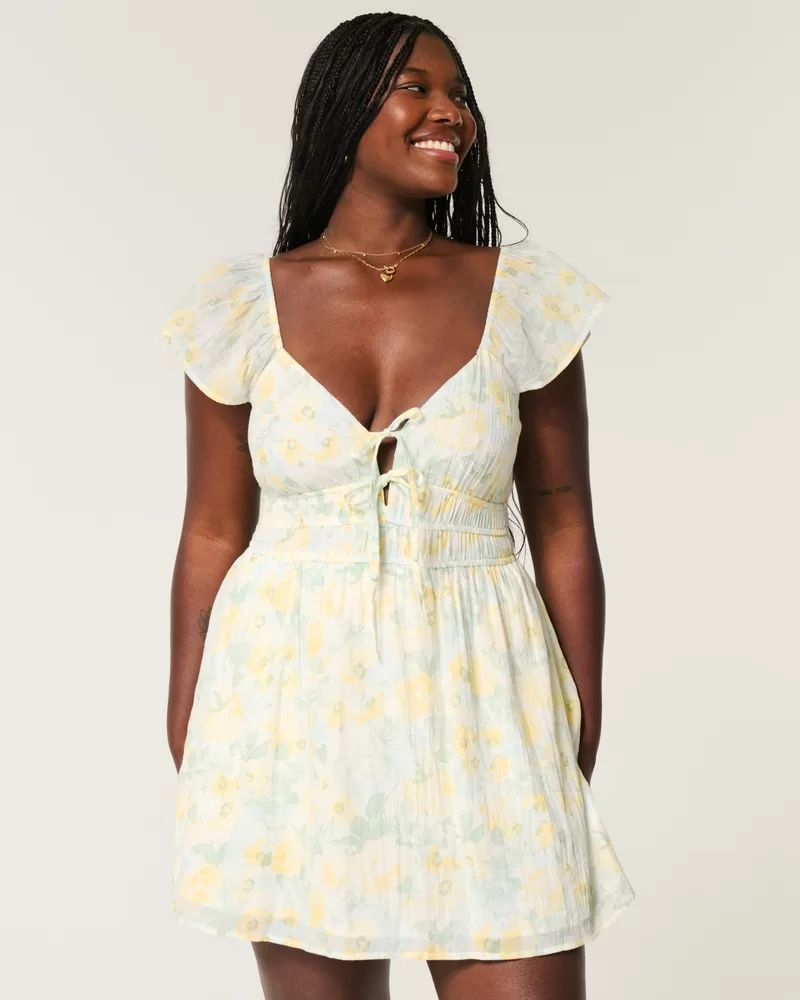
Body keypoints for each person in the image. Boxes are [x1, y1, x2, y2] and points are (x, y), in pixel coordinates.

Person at [159, 12, 635, 1000]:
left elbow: (562, 520)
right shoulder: (241, 306)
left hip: (485, 696)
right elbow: (212, 527)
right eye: (416, 87)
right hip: (287, 704)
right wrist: (189, 712)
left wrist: (577, 708)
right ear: (343, 108)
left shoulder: (522, 298)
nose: (449, 112)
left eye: (459, 94)